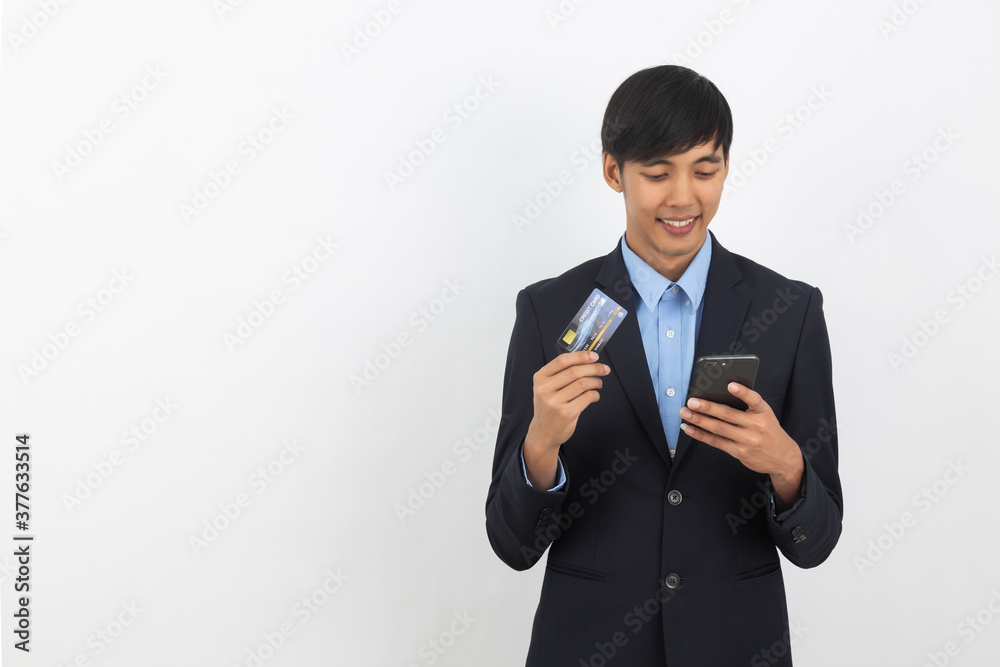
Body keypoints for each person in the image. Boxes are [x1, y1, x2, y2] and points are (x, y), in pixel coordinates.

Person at [484, 65, 843, 666]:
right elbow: (512, 545)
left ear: (727, 167)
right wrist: (540, 446)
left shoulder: (791, 311)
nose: (683, 197)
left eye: (705, 170)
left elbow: (818, 542)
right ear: (612, 171)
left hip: (736, 644)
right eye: (657, 173)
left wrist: (785, 465)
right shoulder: (549, 312)